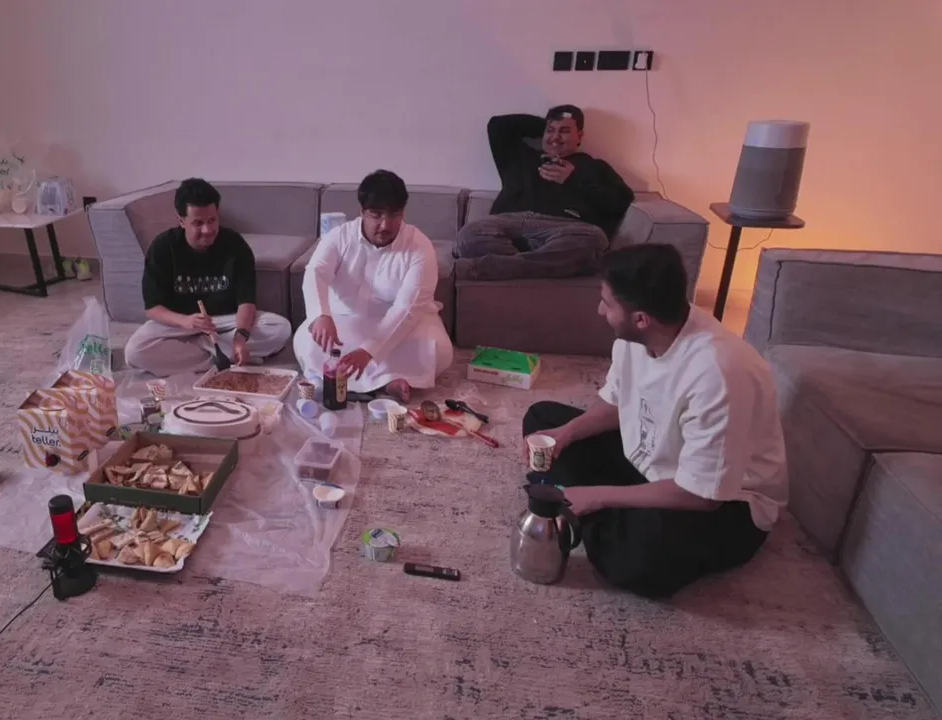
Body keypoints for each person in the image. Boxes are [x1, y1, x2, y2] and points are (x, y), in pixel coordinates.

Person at [522, 243, 787, 599]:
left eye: (607, 304)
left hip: (727, 504)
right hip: (650, 464)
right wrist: (565, 434)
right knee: (542, 420)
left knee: (636, 560)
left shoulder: (719, 374)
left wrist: (597, 496)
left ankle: (592, 512)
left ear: (641, 318)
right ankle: (597, 513)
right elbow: (618, 404)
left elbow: (702, 496)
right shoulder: (637, 336)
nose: (600, 311)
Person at [294, 170, 453, 403]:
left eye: (394, 214)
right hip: (346, 320)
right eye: (376, 215)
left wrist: (369, 351)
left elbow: (407, 309)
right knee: (306, 340)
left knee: (437, 348)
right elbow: (315, 272)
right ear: (362, 212)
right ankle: (388, 382)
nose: (385, 225)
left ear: (403, 213)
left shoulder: (419, 247)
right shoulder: (339, 237)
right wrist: (321, 315)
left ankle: (353, 382)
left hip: (404, 326)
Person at [124, 178, 291, 376]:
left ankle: (209, 353)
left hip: (225, 321)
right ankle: (223, 356)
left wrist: (240, 338)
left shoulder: (235, 244)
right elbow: (153, 309)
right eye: (198, 223)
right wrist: (185, 321)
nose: (207, 230)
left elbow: (246, 302)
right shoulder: (162, 248)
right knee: (135, 351)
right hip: (180, 325)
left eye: (212, 220)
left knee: (280, 328)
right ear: (181, 221)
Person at [455, 105, 635, 281]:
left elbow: (621, 201)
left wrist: (574, 179)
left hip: (563, 230)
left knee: (593, 240)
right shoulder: (519, 156)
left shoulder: (594, 166)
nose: (555, 137)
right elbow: (498, 126)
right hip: (508, 224)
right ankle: (538, 264)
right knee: (470, 233)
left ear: (580, 136)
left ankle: (491, 267)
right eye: (550, 130)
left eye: (565, 131)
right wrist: (550, 122)